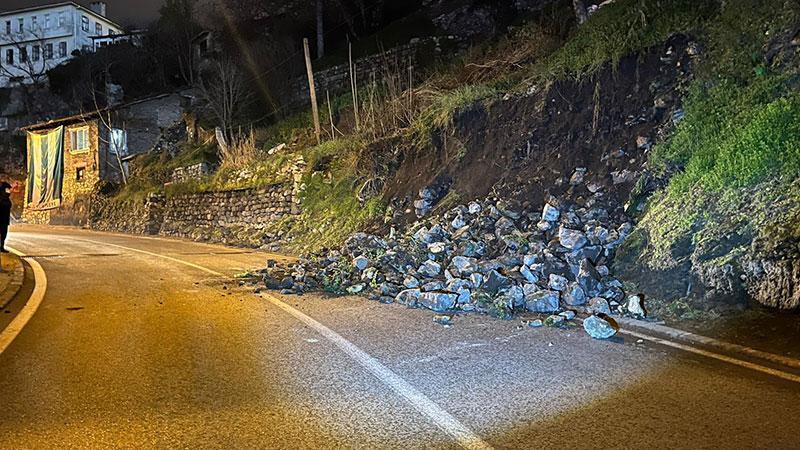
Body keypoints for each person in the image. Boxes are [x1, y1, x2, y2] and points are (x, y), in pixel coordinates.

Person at [0, 182, 11, 253]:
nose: (9, 191)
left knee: (4, 234)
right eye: (7, 189)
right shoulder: (2, 198)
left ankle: (2, 247)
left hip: (5, 220)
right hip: (1, 219)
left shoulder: (6, 198)